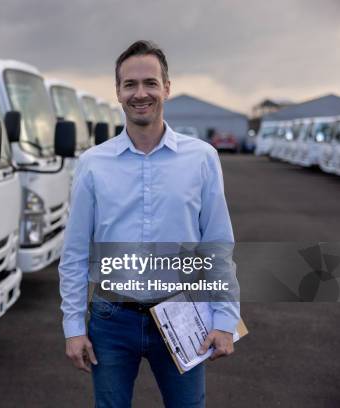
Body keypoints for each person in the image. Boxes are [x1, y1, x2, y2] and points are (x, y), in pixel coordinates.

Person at [58, 40, 239, 407]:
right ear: (118, 93)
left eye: (150, 83)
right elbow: (75, 252)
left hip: (183, 313)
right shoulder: (93, 164)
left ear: (166, 88)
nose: (141, 93)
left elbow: (217, 245)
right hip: (111, 319)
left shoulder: (202, 158)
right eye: (130, 84)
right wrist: (74, 327)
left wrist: (225, 319)